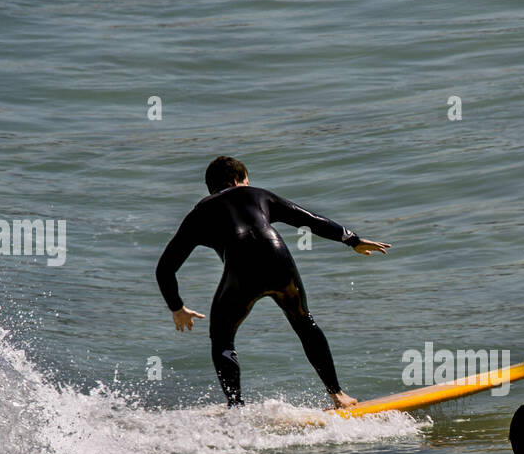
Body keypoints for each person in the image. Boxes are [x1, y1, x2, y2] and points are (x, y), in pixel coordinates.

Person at [155, 156, 390, 408]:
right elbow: (309, 220)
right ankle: (338, 395)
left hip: (241, 268)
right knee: (304, 321)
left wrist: (177, 307)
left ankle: (236, 408)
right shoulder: (258, 195)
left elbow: (165, 269)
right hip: (277, 256)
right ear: (238, 180)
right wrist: (352, 240)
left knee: (222, 338)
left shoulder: (199, 213)